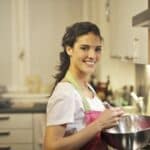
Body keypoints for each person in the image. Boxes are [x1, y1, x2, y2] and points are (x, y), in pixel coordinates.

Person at [44, 21, 124, 150]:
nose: (92, 55)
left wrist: (109, 116)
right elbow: (51, 147)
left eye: (97, 49)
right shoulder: (65, 92)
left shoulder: (87, 87)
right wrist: (99, 123)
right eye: (84, 48)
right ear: (69, 49)